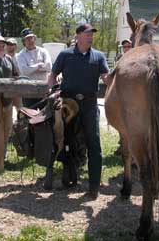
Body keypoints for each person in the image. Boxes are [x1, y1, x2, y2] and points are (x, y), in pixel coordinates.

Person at [47, 23, 109, 200]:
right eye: (87, 34)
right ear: (78, 36)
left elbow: (106, 78)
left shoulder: (99, 56)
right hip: (68, 104)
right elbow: (52, 76)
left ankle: (94, 186)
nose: (91, 37)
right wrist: (51, 90)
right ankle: (68, 177)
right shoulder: (65, 54)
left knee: (94, 144)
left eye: (92, 34)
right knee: (66, 141)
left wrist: (116, 78)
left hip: (89, 105)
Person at [16, 28, 52, 107]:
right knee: (29, 115)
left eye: (31, 38)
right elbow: (24, 71)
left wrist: (31, 69)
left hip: (44, 89)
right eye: (27, 39)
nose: (30, 40)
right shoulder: (20, 55)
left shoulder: (43, 51)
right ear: (23, 41)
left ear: (34, 38)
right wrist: (39, 65)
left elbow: (49, 67)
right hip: (28, 91)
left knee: (46, 116)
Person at [5, 37, 22, 111]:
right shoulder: (3, 57)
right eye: (8, 44)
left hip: (19, 86)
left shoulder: (21, 56)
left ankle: (21, 122)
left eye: (12, 44)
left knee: (20, 109)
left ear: (16, 46)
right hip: (6, 87)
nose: (9, 46)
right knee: (7, 109)